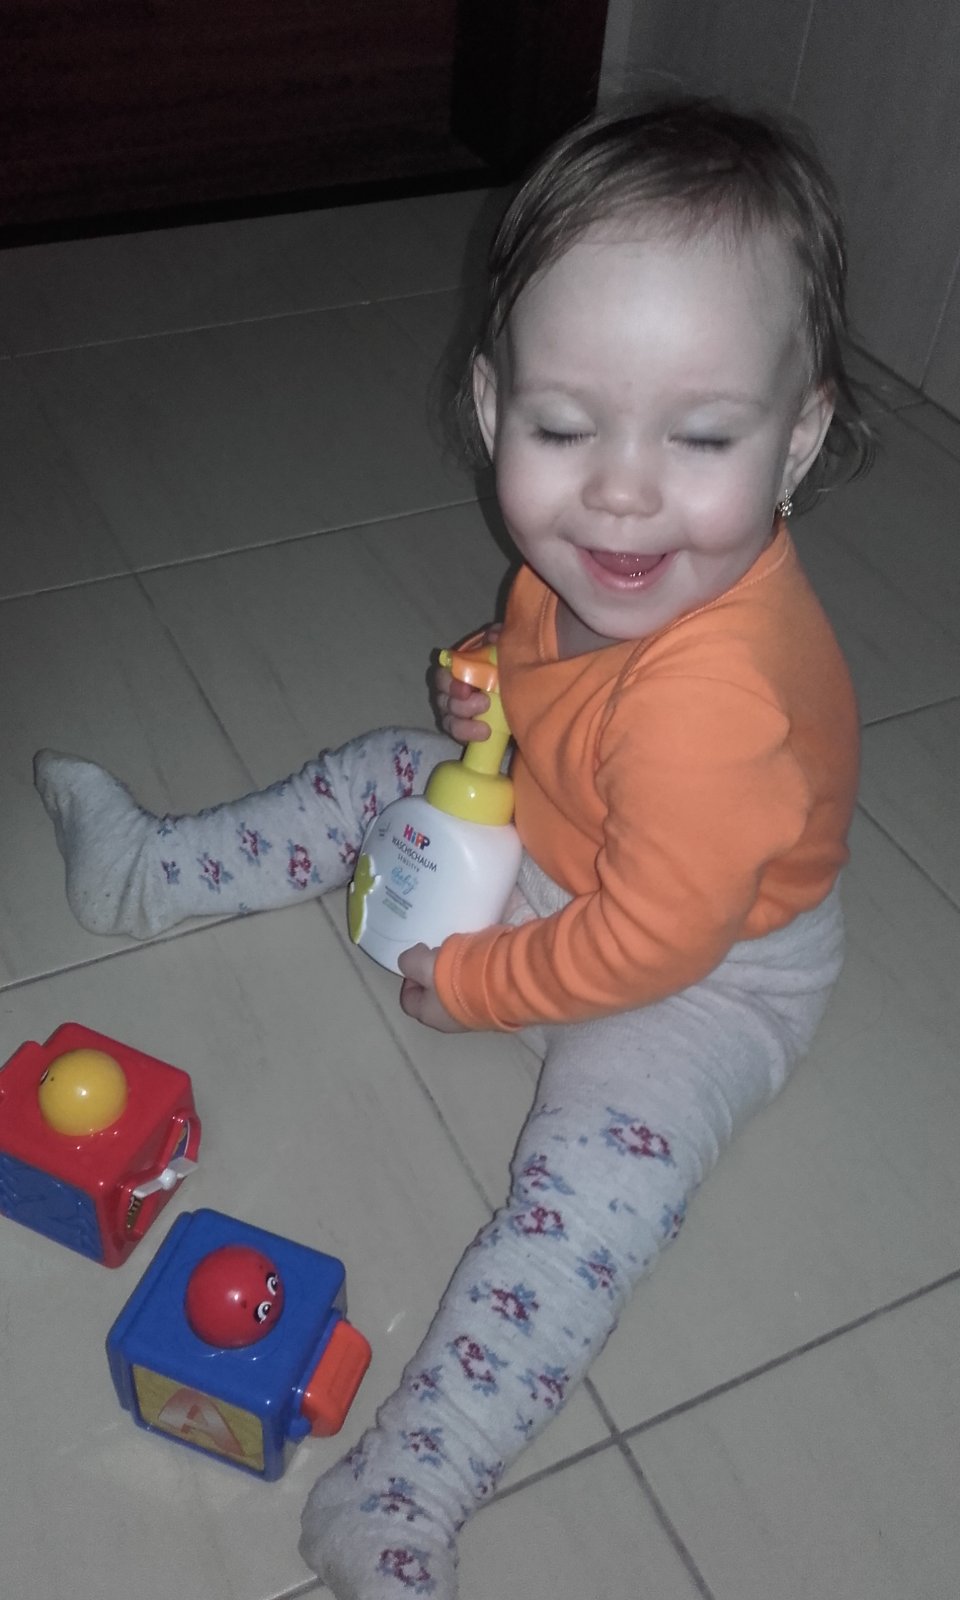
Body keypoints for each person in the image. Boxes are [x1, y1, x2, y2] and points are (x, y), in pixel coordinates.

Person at [35, 98, 872, 1599]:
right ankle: (147, 872)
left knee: (588, 1203)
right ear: (494, 409)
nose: (620, 490)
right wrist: (496, 689)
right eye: (564, 427)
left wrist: (476, 983)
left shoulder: (718, 705)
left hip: (709, 971)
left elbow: (653, 940)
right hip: (577, 839)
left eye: (700, 437)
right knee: (380, 773)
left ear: (796, 435)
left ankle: (406, 1487)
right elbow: (563, 674)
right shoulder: (613, 557)